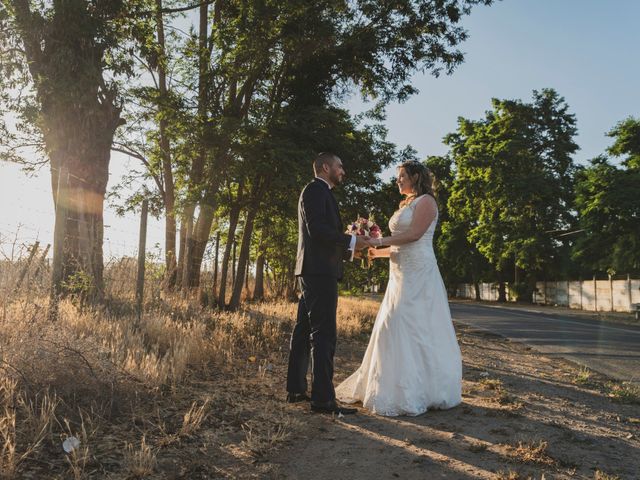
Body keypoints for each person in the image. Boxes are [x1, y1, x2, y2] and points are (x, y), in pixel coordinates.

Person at [335, 160, 462, 416]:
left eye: (402, 176)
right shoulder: (405, 204)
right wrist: (373, 252)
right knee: (391, 326)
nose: (397, 180)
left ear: (415, 177)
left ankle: (422, 390)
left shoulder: (426, 202)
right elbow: (398, 246)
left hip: (419, 273)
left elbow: (414, 236)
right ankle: (391, 386)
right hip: (399, 273)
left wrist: (378, 238)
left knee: (413, 325)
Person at [286, 152, 369, 414]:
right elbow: (318, 230)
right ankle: (323, 400)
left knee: (304, 330)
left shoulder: (321, 192)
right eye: (339, 166)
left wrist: (351, 248)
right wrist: (353, 241)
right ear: (325, 167)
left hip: (314, 269)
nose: (343, 170)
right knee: (324, 334)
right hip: (318, 272)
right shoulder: (314, 190)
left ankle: (297, 389)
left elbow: (323, 234)